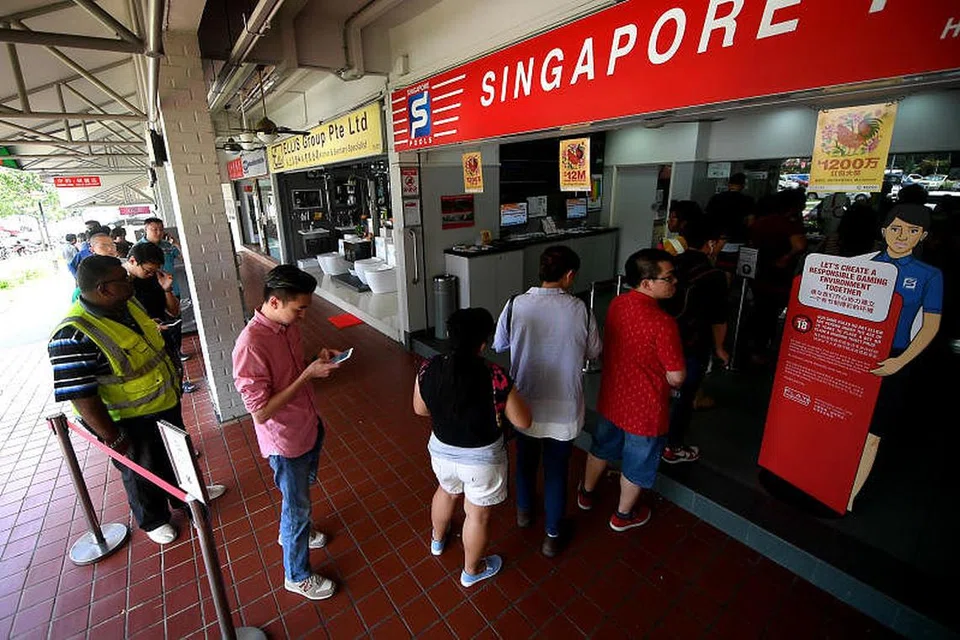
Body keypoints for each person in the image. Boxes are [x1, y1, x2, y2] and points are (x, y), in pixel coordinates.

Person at [48, 256, 224, 545]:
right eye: (123, 279)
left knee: (177, 455)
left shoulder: (127, 304)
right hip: (128, 420)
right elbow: (81, 395)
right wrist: (112, 437)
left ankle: (187, 499)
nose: (130, 282)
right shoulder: (72, 334)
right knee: (141, 469)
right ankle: (154, 519)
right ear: (104, 288)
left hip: (164, 402)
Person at [232, 265, 342, 601]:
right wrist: (307, 376)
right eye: (300, 309)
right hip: (285, 441)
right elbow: (260, 412)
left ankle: (295, 531)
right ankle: (297, 575)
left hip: (307, 424)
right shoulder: (250, 345)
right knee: (297, 508)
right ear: (275, 302)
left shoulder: (286, 326)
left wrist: (313, 360)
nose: (304, 316)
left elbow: (290, 371)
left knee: (298, 501)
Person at [492, 246, 601, 557]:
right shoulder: (580, 309)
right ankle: (552, 535)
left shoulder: (515, 304)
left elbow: (500, 344)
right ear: (569, 275)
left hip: (524, 406)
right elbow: (594, 351)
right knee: (556, 471)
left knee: (525, 462)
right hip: (565, 407)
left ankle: (524, 513)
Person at [414, 308, 532, 586]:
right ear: (483, 343)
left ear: (449, 335)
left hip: (441, 452)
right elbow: (524, 421)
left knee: (446, 491)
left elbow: (420, 409)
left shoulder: (429, 367)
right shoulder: (495, 376)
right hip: (482, 461)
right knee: (477, 514)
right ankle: (471, 571)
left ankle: (437, 541)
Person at [578, 249, 686, 531]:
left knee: (601, 447)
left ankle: (586, 493)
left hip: (613, 397)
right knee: (637, 463)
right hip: (645, 408)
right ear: (647, 283)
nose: (675, 282)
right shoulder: (664, 323)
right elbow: (677, 376)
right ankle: (623, 516)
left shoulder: (618, 303)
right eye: (669, 277)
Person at [848, 204, 943, 511]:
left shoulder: (929, 275)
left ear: (923, 236)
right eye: (896, 229)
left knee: (873, 432)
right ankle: (828, 479)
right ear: (884, 231)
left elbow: (931, 326)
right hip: (854, 351)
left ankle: (849, 497)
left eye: (913, 231)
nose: (903, 236)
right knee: (844, 420)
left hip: (894, 358)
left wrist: (900, 363)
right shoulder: (862, 265)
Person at [660, 219, 729, 464]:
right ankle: (672, 446)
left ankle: (649, 437)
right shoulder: (715, 275)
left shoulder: (670, 265)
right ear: (710, 243)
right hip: (692, 342)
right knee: (685, 396)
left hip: (662, 339)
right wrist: (720, 348)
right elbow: (718, 319)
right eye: (720, 241)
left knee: (659, 391)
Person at [124, 243, 197, 394]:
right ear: (132, 261)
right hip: (140, 347)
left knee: (173, 373)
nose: (151, 274)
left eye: (154, 270)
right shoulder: (119, 285)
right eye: (147, 270)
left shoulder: (154, 277)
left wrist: (167, 289)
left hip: (162, 338)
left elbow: (174, 311)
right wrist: (147, 327)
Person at [747, 189, 808, 363]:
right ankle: (760, 349)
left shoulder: (761, 222)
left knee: (759, 309)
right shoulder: (789, 224)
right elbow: (800, 245)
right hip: (778, 274)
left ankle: (751, 345)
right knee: (770, 313)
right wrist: (786, 257)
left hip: (759, 271)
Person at [705, 172, 755, 273]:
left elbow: (708, 218)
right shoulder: (748, 200)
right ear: (743, 185)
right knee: (729, 270)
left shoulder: (716, 198)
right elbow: (751, 222)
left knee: (714, 268)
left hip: (716, 240)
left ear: (729, 184)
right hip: (737, 240)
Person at [71, 233, 119, 301]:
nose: (110, 249)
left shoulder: (121, 267)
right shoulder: (88, 270)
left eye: (112, 245)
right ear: (92, 249)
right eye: (104, 246)